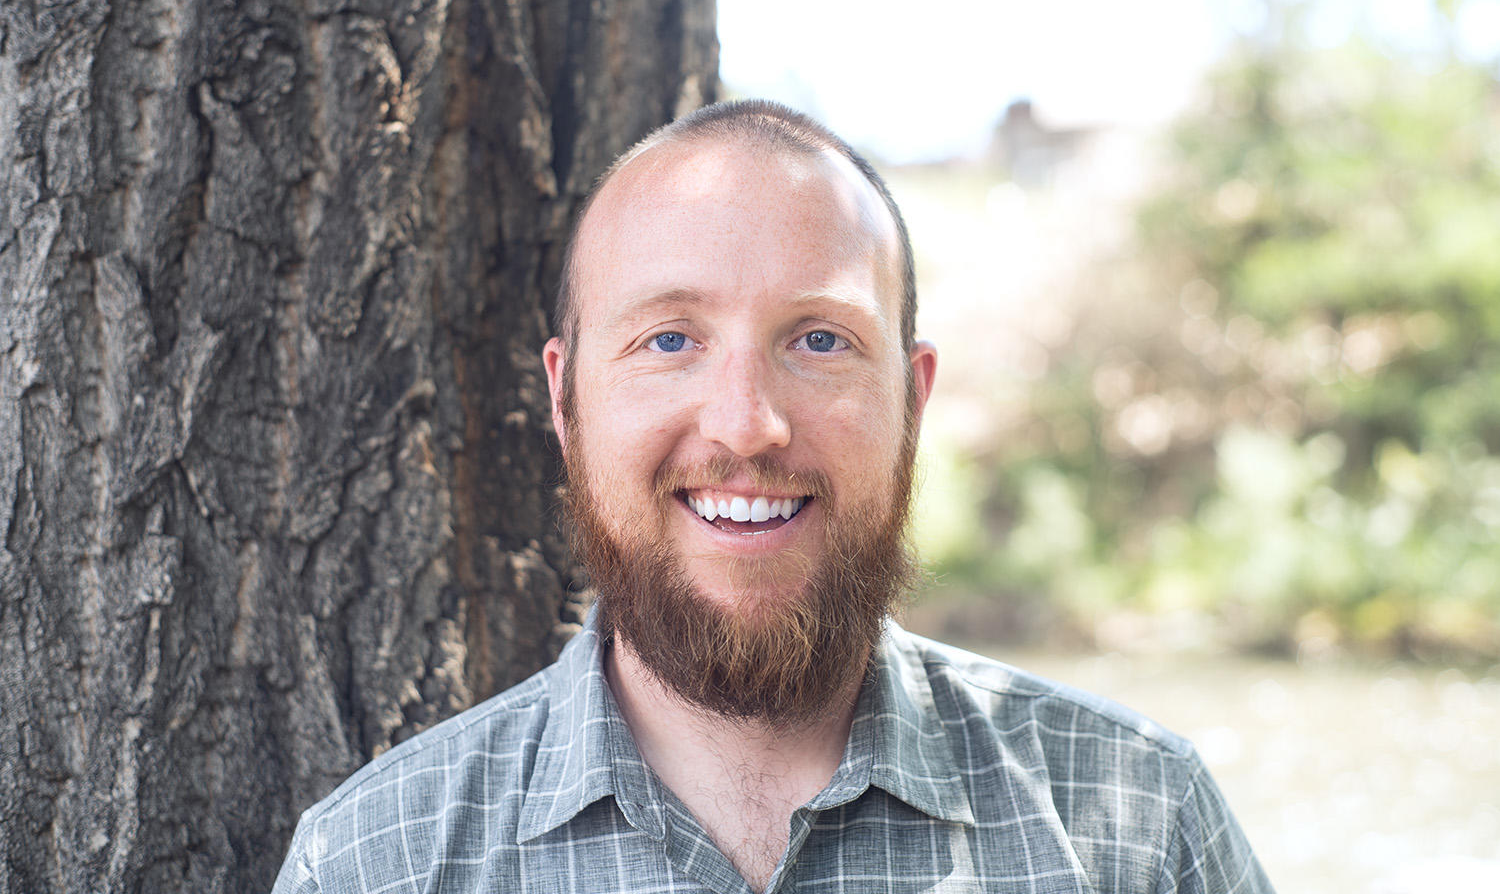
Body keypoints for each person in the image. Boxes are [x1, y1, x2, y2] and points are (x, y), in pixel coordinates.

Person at [272, 100, 1275, 894]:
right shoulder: (376, 865)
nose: (747, 423)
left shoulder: (1142, 829)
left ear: (911, 403)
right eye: (670, 339)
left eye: (819, 340)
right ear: (566, 400)